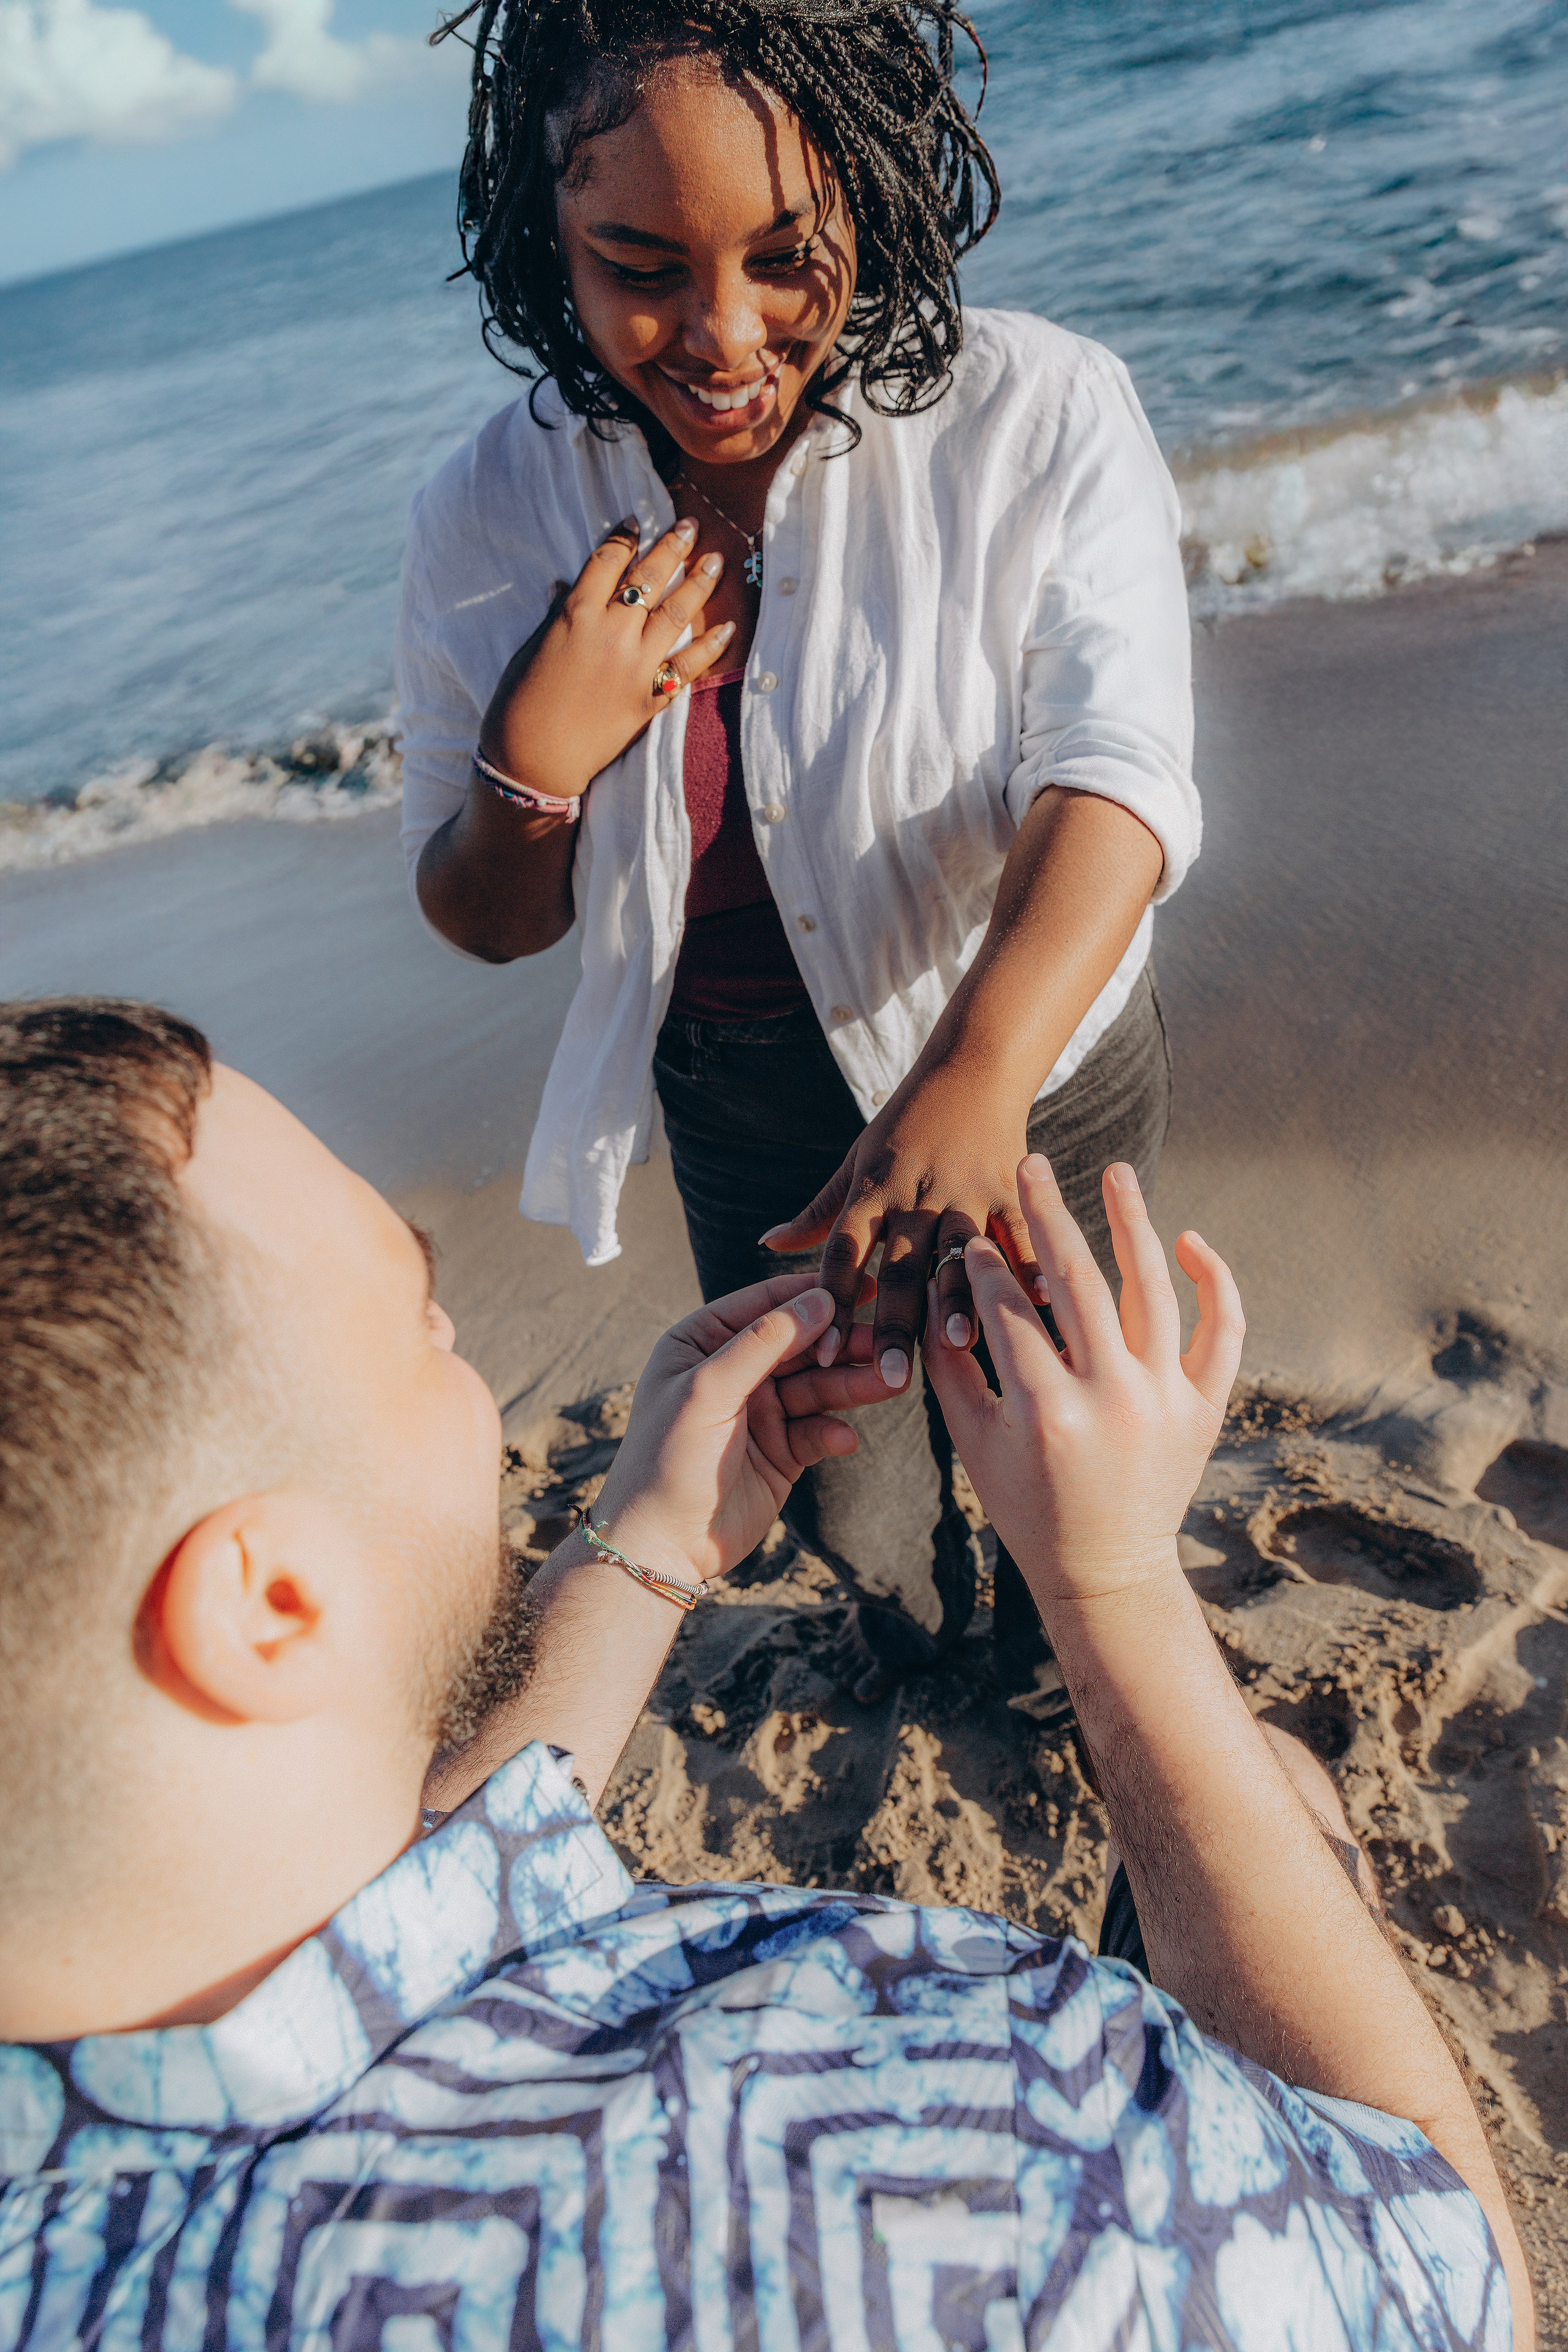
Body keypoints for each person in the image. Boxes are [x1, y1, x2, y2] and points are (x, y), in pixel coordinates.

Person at [0, 997, 1531, 2351]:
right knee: (1280, 1787)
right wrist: (1110, 1582)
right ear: (273, 1606)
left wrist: (646, 1544)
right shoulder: (1000, 2165)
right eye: (417, 1314)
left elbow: (407, 1901)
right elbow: (1440, 2270)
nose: (453, 1322)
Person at [399, 0, 1196, 1701]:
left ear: (874, 196)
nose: (723, 333)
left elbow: (1115, 775)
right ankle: (914, 1634)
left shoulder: (1033, 410)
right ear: (544, 234)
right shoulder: (486, 511)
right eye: (639, 268)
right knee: (840, 1469)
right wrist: (535, 760)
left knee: (1062, 1425)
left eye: (786, 257)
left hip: (1038, 1053)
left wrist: (978, 1073)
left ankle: (1063, 1657)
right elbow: (482, 918)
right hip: (738, 1098)